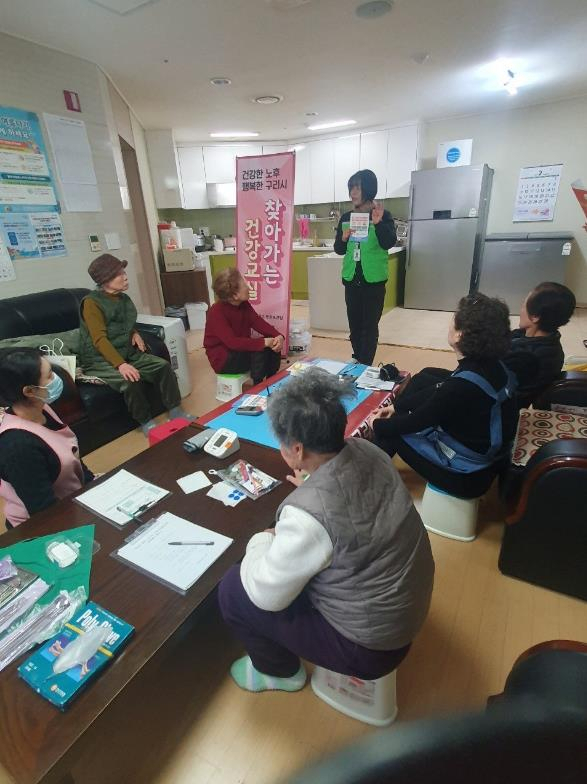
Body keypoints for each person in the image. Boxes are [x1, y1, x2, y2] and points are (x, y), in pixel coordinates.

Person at [218, 369, 434, 693]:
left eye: (281, 443)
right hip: (406, 608)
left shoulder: (307, 515)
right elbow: (353, 499)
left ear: (297, 450)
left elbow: (266, 595)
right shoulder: (370, 451)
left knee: (233, 589)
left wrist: (262, 539)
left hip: (370, 648)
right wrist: (313, 483)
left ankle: (279, 673)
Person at [371, 293, 518, 499]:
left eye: (453, 320)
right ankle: (375, 459)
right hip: (491, 459)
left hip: (468, 478)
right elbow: (440, 389)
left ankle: (366, 476)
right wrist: (396, 406)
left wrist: (375, 424)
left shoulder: (460, 387)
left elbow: (416, 422)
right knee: (406, 406)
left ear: (460, 335)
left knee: (391, 430)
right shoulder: (492, 365)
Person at [79, 254, 192, 436]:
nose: (125, 276)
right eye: (119, 274)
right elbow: (99, 339)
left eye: (124, 272)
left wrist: (135, 333)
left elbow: (122, 323)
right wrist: (121, 365)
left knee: (163, 366)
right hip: (100, 360)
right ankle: (146, 421)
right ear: (105, 280)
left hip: (126, 352)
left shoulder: (122, 298)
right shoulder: (91, 303)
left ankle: (175, 410)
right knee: (129, 380)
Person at [0, 348, 93, 528]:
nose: (56, 379)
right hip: (43, 524)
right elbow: (44, 513)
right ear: (29, 391)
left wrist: (90, 483)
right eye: (50, 376)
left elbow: (71, 456)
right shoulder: (18, 446)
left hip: (72, 502)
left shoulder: (42, 408)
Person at [334, 169, 397, 366]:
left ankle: (365, 365)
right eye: (351, 188)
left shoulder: (383, 215)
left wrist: (378, 224)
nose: (353, 192)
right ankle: (358, 358)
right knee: (354, 325)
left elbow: (388, 242)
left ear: (368, 189)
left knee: (369, 326)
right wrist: (343, 238)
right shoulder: (346, 217)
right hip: (352, 279)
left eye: (357, 188)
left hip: (374, 280)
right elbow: (339, 249)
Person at [204, 268, 284, 384]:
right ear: (235, 295)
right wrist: (263, 342)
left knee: (273, 345)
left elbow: (258, 323)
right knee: (261, 349)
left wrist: (278, 336)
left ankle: (271, 381)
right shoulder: (216, 312)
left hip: (238, 351)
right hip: (223, 359)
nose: (248, 287)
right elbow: (232, 342)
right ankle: (258, 386)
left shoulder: (244, 305)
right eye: (244, 285)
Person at [504, 282, 576, 406]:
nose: (520, 309)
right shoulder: (544, 341)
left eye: (523, 305)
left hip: (501, 409)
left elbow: (508, 393)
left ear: (536, 316)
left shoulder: (529, 357)